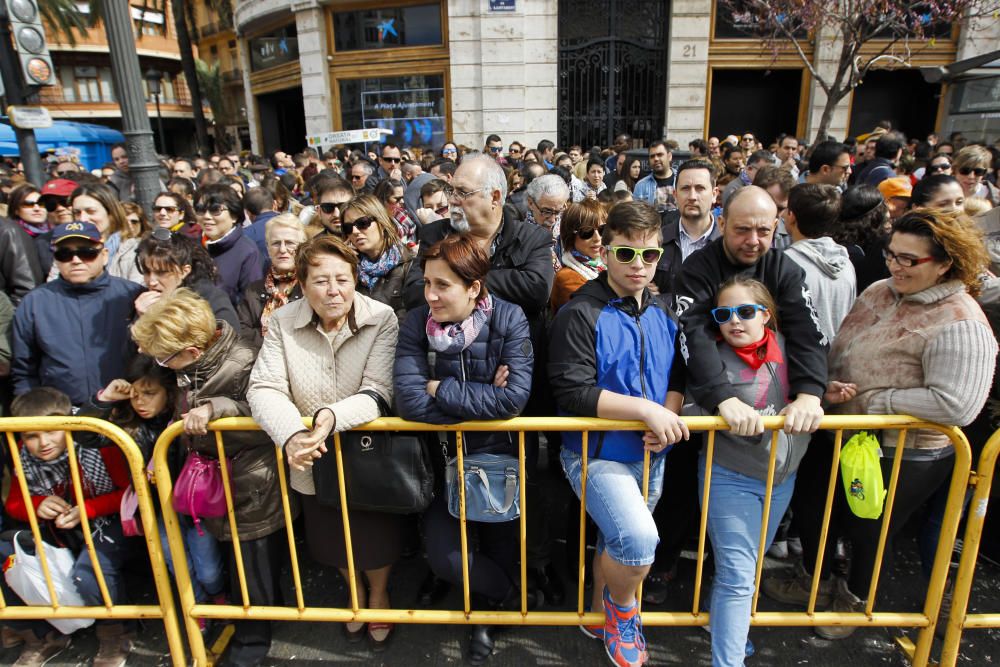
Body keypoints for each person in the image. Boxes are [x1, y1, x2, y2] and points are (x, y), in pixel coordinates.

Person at [811, 210, 998, 640]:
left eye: (909, 260)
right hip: (853, 434)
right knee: (842, 518)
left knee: (871, 529)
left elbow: (957, 404)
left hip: (905, 451)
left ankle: (856, 601)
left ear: (945, 263)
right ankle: (832, 582)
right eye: (892, 254)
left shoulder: (962, 322)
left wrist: (878, 401)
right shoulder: (880, 289)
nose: (895, 265)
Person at [548, 201, 689, 667]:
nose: (639, 266)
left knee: (616, 540)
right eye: (627, 254)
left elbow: (678, 375)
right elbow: (572, 391)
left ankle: (595, 612)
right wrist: (648, 412)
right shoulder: (579, 312)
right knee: (636, 542)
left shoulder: (665, 309)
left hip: (651, 454)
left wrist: (665, 421)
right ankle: (624, 611)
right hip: (595, 454)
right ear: (606, 251)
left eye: (649, 256)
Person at [247, 235, 400, 651]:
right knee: (329, 536)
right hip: (308, 453)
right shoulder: (282, 321)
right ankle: (352, 594)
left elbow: (378, 390)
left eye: (343, 279)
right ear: (301, 283)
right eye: (320, 281)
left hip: (364, 448)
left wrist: (329, 419)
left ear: (355, 280)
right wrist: (293, 434)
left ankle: (379, 595)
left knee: (375, 536)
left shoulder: (381, 317)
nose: (333, 291)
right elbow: (263, 387)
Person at [394, 235, 533, 664]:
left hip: (497, 459)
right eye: (427, 283)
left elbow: (514, 401)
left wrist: (441, 389)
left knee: (498, 546)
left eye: (443, 286)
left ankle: (486, 620)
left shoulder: (509, 318)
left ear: (474, 287)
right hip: (438, 462)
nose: (431, 295)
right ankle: (509, 595)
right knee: (448, 557)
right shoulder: (415, 322)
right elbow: (409, 402)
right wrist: (477, 398)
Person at [131, 289, 289, 664]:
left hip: (251, 478)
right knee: (243, 563)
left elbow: (270, 415)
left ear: (193, 351)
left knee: (252, 562)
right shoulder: (197, 365)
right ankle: (256, 616)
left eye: (165, 358)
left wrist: (218, 408)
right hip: (222, 478)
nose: (162, 365)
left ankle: (252, 642)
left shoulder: (245, 361)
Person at [693, 277, 810, 666]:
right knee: (739, 575)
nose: (734, 322)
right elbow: (684, 407)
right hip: (729, 475)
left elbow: (809, 388)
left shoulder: (792, 351)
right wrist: (717, 412)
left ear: (766, 314)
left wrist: (827, 394)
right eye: (723, 315)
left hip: (782, 479)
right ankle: (728, 659)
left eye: (745, 312)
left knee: (745, 565)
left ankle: (722, 618)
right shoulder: (709, 356)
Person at [673, 185, 827, 444]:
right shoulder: (697, 269)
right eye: (742, 230)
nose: (753, 240)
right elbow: (693, 334)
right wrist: (722, 396)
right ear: (722, 224)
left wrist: (810, 393)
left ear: (776, 226)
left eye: (764, 231)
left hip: (778, 426)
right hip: (713, 418)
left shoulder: (785, 269)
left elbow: (807, 330)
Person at [0, 387, 133, 667]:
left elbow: (130, 493)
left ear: (67, 422)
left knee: (92, 571)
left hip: (104, 521)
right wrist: (36, 504)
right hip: (59, 530)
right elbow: (13, 503)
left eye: (51, 431)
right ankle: (42, 636)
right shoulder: (23, 454)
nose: (43, 442)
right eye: (32, 436)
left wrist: (88, 509)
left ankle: (115, 632)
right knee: (4, 555)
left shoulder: (93, 440)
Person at [12, 222, 142, 407]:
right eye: (64, 254)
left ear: (104, 255)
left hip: (127, 412)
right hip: (61, 418)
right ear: (56, 259)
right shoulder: (35, 303)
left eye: (86, 252)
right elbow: (24, 371)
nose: (76, 260)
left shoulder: (132, 295)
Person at [783, 183, 855, 341]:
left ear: (791, 216)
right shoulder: (846, 263)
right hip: (836, 357)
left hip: (800, 359)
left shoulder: (785, 264)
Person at [134, 227, 239, 328]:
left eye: (162, 273)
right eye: (147, 272)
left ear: (184, 271)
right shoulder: (143, 302)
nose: (152, 282)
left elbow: (230, 342)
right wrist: (142, 320)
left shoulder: (211, 301)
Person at [341, 194, 414, 324]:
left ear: (381, 223)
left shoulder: (409, 264)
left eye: (362, 223)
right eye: (348, 227)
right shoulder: (348, 267)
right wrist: (342, 264)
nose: (355, 231)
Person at [237, 213, 306, 350]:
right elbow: (242, 331)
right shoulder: (253, 290)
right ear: (268, 249)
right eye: (276, 243)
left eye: (290, 243)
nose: (282, 249)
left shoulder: (310, 286)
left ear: (302, 247)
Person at [195, 184, 262, 306]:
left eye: (215, 210)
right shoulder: (192, 246)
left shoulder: (247, 251)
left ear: (234, 215)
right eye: (200, 209)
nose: (206, 216)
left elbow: (251, 304)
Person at [550, 200, 607, 312]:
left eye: (602, 230)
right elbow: (595, 313)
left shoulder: (611, 264)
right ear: (571, 236)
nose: (597, 238)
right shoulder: (566, 278)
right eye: (587, 232)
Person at [373, 177, 417, 247]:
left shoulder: (402, 213)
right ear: (382, 198)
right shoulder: (373, 221)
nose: (402, 201)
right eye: (397, 199)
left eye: (402, 197)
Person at [634, 141, 677, 212]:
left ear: (669, 156)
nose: (656, 159)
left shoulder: (681, 180)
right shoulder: (641, 186)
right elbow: (637, 216)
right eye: (652, 156)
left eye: (660, 155)